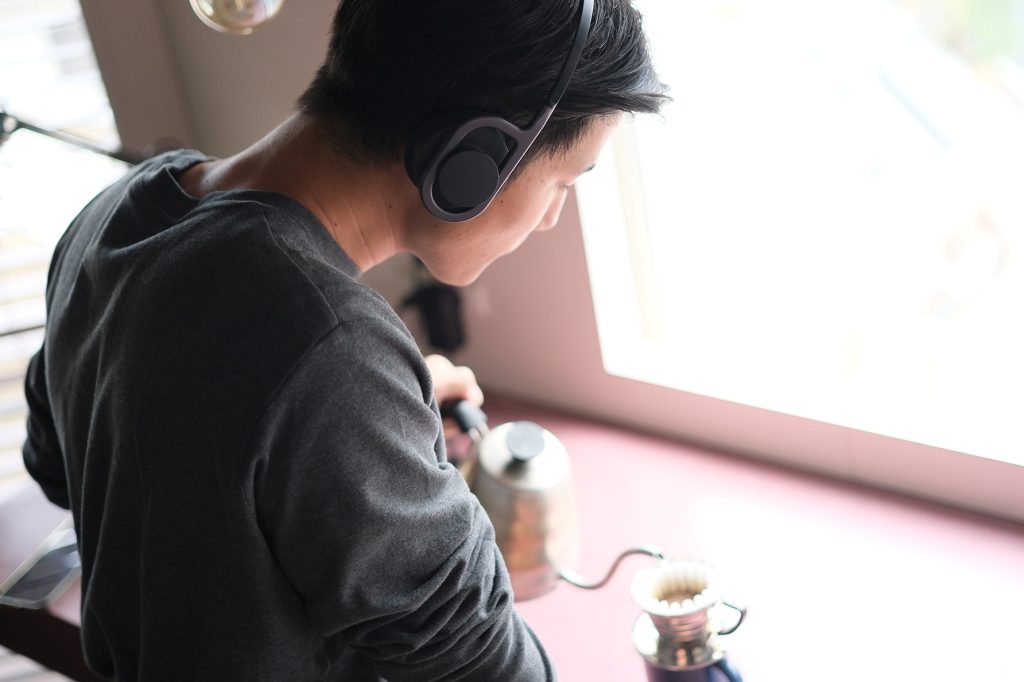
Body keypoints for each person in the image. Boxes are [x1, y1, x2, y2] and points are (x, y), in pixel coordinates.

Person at [22, 0, 665, 679]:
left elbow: (59, 465)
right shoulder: (329, 350)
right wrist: (355, 408)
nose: (551, 217)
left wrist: (360, 429)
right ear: (476, 156)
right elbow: (478, 660)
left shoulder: (114, 212)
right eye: (563, 182)